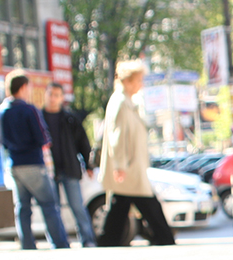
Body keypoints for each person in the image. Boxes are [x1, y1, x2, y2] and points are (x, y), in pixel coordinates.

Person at [98, 59, 175, 246]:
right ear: (128, 81)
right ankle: (164, 239)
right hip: (129, 168)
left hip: (131, 167)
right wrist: (119, 166)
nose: (141, 84)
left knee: (120, 206)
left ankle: (107, 242)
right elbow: (117, 137)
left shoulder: (128, 102)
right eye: (139, 80)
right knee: (148, 205)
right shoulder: (120, 103)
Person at [0, 70, 69, 250]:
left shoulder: (3, 111)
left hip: (14, 164)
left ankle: (27, 244)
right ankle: (60, 243)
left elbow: (2, 140)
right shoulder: (29, 110)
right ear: (23, 87)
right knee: (49, 205)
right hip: (33, 163)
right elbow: (42, 137)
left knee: (23, 207)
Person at [42, 82, 97, 247]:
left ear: (62, 98)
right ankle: (57, 242)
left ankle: (87, 240)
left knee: (77, 206)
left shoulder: (70, 118)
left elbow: (83, 143)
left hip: (69, 168)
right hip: (48, 171)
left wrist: (89, 165)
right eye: (51, 94)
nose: (53, 99)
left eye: (57, 95)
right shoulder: (39, 117)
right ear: (45, 95)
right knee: (53, 209)